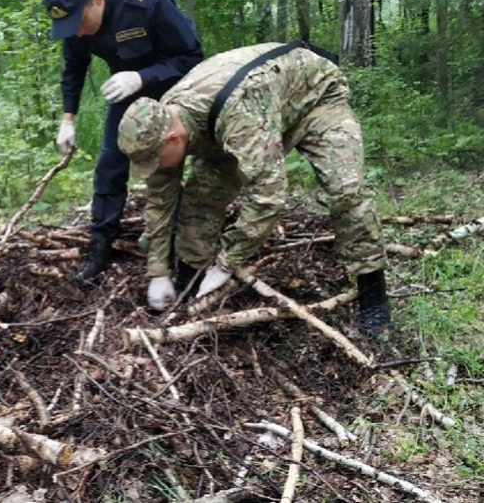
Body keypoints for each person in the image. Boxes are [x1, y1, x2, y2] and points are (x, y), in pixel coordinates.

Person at [117, 41, 391, 339]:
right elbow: (159, 198)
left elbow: (268, 197)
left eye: (153, 160)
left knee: (345, 190)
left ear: (172, 139)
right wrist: (157, 270)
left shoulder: (238, 112)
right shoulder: (165, 117)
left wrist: (225, 264)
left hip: (315, 98)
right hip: (247, 115)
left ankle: (372, 290)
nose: (154, 167)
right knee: (200, 198)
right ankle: (188, 282)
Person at [42, 0, 203, 283]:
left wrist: (143, 77)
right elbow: (73, 68)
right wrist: (67, 119)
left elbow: (192, 57)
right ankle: (100, 247)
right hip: (124, 85)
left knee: (168, 164)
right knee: (109, 164)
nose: (75, 33)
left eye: (78, 23)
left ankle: (179, 246)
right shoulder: (75, 21)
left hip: (174, 82)